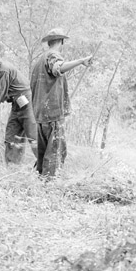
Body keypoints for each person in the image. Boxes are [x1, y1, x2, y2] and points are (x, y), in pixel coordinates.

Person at [29, 28, 93, 178]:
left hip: (39, 115)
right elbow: (58, 68)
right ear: (61, 41)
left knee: (43, 156)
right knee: (55, 155)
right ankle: (49, 186)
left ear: (49, 42)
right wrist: (81, 61)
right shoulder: (52, 55)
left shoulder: (39, 61)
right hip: (52, 115)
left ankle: (39, 184)